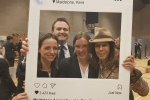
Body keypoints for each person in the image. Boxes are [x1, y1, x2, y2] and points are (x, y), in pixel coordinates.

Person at [89, 27, 149, 100]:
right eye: (97, 46)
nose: (100, 49)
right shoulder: (96, 65)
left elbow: (144, 91)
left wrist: (132, 73)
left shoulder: (122, 64)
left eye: (104, 45)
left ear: (110, 47)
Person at [11, 33, 59, 100]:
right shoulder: (27, 73)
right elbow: (18, 95)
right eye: (47, 48)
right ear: (38, 49)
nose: (52, 52)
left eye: (55, 48)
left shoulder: (60, 71)